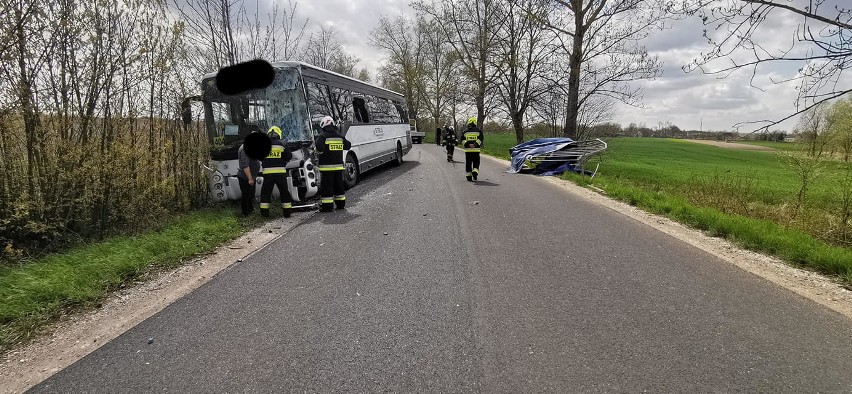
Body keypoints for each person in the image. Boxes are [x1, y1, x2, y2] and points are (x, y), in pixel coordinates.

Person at [314, 116, 352, 212]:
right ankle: (341, 204)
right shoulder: (340, 136)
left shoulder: (323, 136)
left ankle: (327, 207)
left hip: (326, 168)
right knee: (339, 186)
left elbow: (319, 148)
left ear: (323, 126)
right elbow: (348, 145)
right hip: (338, 167)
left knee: (327, 187)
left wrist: (316, 152)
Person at [259, 126, 294, 218]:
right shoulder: (282, 144)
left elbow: (259, 157)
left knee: (266, 193)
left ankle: (264, 214)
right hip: (280, 173)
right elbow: (289, 157)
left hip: (267, 174)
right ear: (278, 135)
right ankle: (287, 213)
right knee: (284, 192)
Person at [237, 132, 262, 216]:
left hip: (252, 176)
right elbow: (245, 166)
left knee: (251, 194)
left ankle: (251, 210)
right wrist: (250, 178)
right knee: (246, 195)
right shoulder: (244, 149)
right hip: (245, 177)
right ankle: (245, 213)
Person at [462, 117, 483, 182]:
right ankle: (475, 171)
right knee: (476, 162)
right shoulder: (478, 130)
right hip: (476, 150)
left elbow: (462, 140)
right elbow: (481, 139)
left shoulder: (465, 131)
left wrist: (468, 144)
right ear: (475, 123)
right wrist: (475, 144)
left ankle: (469, 176)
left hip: (468, 151)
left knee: (468, 163)